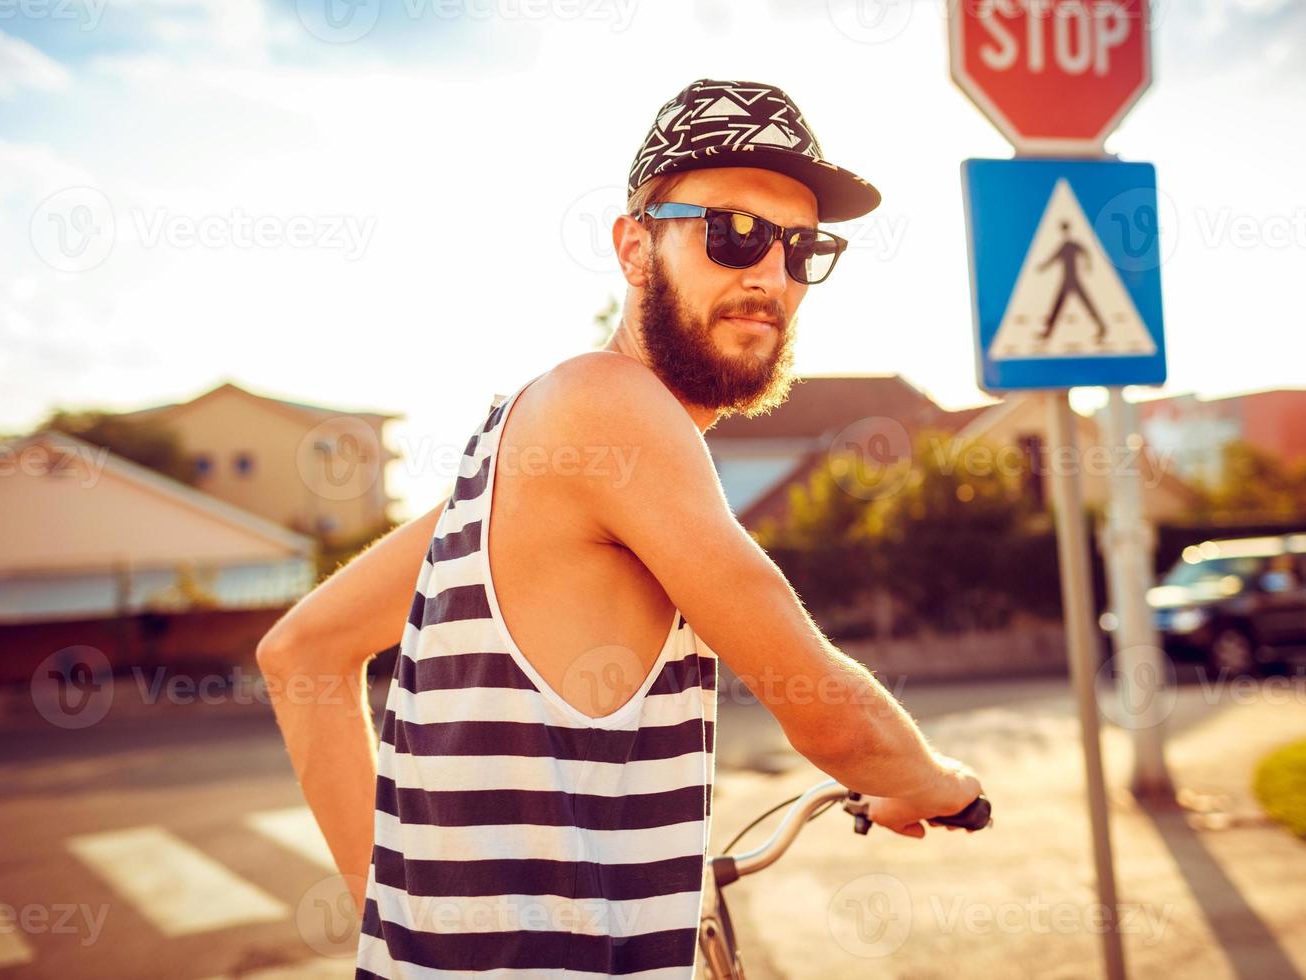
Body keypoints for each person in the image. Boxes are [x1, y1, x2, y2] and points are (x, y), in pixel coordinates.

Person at [257, 77, 984, 978]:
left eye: (801, 249)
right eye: (734, 233)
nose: (769, 273)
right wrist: (938, 783)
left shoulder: (522, 449)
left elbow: (304, 652)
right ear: (634, 248)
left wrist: (404, 922)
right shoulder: (608, 407)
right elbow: (825, 712)